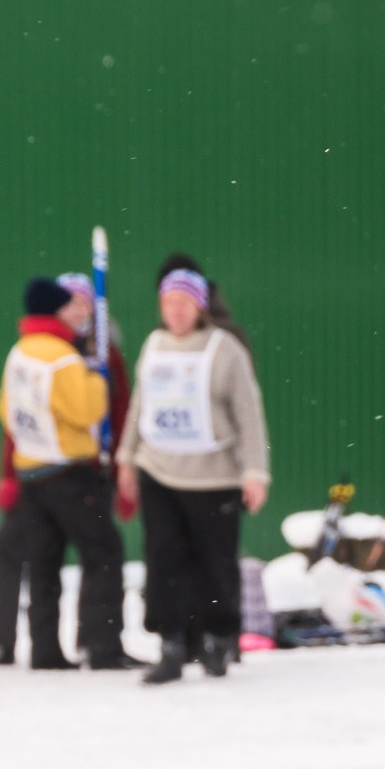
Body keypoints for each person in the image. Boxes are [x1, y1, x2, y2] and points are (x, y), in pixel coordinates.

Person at [0, 274, 135, 669]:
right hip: (70, 471)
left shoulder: (20, 352)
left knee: (44, 561)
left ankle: (45, 650)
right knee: (103, 551)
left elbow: (6, 412)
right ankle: (102, 646)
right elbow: (90, 411)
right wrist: (94, 379)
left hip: (31, 472)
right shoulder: (64, 358)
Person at [115, 266, 269, 684]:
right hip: (159, 470)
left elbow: (249, 414)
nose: (175, 311)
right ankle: (171, 643)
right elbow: (140, 404)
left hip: (214, 475)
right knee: (163, 558)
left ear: (199, 306)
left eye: (183, 302)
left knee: (214, 561)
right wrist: (126, 457)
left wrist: (255, 472)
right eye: (168, 303)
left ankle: (218, 638)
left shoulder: (225, 350)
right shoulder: (154, 346)